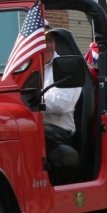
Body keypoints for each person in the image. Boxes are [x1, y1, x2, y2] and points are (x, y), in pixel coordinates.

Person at [40, 28, 82, 156]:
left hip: (57, 132)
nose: (48, 45)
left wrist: (30, 98)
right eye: (43, 40)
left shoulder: (67, 67)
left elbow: (61, 104)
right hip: (29, 126)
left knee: (30, 136)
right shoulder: (22, 70)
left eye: (51, 40)